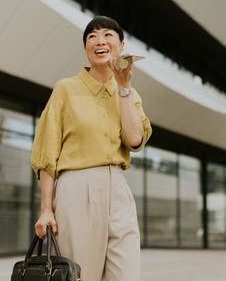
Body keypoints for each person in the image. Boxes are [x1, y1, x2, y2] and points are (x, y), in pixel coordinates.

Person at [30, 16, 152, 281]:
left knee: (126, 275)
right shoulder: (66, 89)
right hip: (77, 188)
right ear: (86, 47)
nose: (100, 40)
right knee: (80, 274)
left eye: (108, 35)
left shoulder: (130, 94)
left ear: (121, 45)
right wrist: (46, 208)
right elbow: (46, 152)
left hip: (118, 188)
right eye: (92, 36)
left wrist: (124, 88)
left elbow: (134, 140)